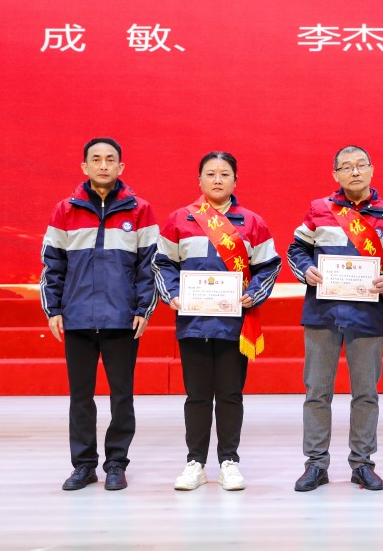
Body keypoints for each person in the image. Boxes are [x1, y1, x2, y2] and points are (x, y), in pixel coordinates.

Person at [287, 145, 383, 492]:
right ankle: (316, 464)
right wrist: (306, 270)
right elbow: (296, 249)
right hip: (322, 313)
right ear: (335, 175)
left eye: (360, 165)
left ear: (372, 170)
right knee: (317, 392)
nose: (354, 172)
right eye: (346, 167)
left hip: (367, 314)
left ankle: (362, 463)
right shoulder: (319, 209)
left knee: (365, 394)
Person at [154, 152, 281, 492]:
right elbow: (163, 263)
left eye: (225, 174)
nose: (217, 179)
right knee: (196, 396)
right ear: (199, 180)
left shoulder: (252, 223)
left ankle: (229, 462)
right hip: (193, 322)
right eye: (210, 173)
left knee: (229, 395)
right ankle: (195, 463)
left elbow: (268, 266)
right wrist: (172, 294)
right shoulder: (180, 220)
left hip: (233, 325)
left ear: (235, 181)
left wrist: (254, 293)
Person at [41, 137, 159, 491]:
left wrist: (143, 308)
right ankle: (83, 465)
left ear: (121, 167)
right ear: (85, 166)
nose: (103, 165)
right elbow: (52, 263)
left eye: (110, 159)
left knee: (122, 395)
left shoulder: (139, 210)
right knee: (80, 396)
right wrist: (53, 309)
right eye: (96, 159)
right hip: (77, 317)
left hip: (122, 319)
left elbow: (149, 265)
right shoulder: (65, 210)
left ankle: (116, 463)